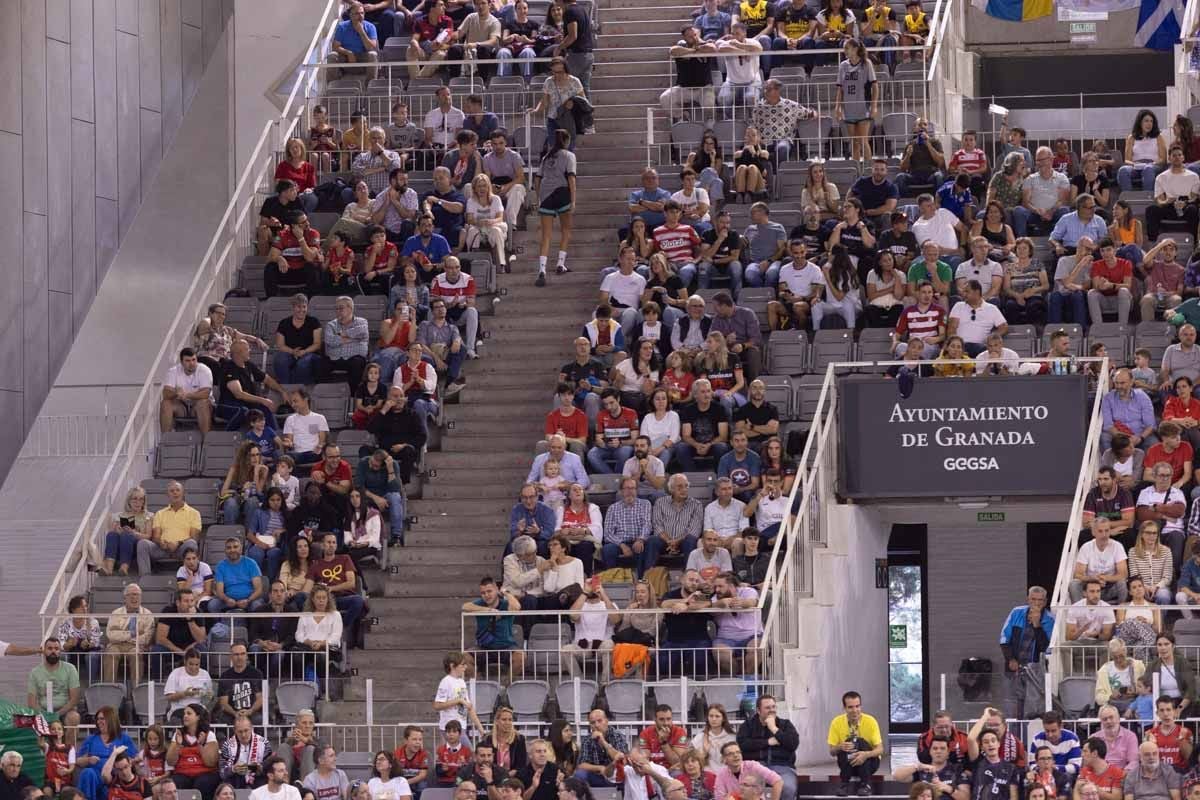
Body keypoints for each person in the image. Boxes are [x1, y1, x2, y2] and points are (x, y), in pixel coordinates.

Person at [534, 128, 577, 286]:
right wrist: (573, 200)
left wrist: (539, 197)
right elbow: (571, 178)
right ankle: (560, 263)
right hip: (562, 194)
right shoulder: (569, 156)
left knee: (546, 236)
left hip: (546, 196)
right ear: (567, 141)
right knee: (566, 229)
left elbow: (537, 179)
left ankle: (542, 270)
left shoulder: (546, 157)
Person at [735, 695, 797, 800]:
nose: (772, 710)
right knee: (748, 789)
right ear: (758, 710)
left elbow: (793, 744)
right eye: (767, 708)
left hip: (782, 766)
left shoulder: (785, 725)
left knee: (788, 788)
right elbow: (743, 744)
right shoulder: (748, 726)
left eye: (773, 707)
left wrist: (774, 729)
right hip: (755, 767)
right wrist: (767, 742)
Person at [946, 279, 1008, 357]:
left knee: (984, 351)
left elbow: (1004, 327)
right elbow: (952, 328)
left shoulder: (992, 309)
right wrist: (955, 345)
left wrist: (990, 338)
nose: (963, 294)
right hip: (961, 347)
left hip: (981, 347)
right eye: (964, 291)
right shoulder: (958, 306)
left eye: (967, 291)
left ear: (977, 292)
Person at [574, 709, 628, 788]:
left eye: (599, 721)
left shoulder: (617, 735)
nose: (596, 725)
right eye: (593, 723)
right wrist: (600, 768)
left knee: (628, 772)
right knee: (579, 774)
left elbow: (623, 760)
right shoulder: (587, 739)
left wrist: (603, 742)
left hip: (616, 776)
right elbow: (581, 765)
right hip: (597, 777)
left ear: (606, 721)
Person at [26, 638, 79, 716]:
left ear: (60, 651)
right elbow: (31, 703)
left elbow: (74, 699)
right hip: (43, 712)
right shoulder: (35, 672)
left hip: (66, 711)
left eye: (56, 649)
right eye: (50, 648)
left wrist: (57, 714)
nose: (53, 651)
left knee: (74, 717)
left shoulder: (70, 669)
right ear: (44, 651)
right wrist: (45, 715)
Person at [1087, 238, 1135, 326]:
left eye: (1108, 250)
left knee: (1123, 291)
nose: (1105, 253)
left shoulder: (1126, 264)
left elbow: (1128, 286)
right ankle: (1098, 328)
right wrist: (1101, 286)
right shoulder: (1096, 265)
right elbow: (1096, 286)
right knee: (1091, 293)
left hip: (1121, 299)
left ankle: (1122, 327)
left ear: (1115, 250)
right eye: (1102, 251)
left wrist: (1111, 285)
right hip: (1104, 300)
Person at [219, 714, 271, 788]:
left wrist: (260, 768)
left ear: (252, 728)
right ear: (235, 731)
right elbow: (222, 772)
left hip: (258, 778)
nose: (243, 735)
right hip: (236, 779)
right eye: (240, 732)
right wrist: (233, 769)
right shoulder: (227, 746)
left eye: (246, 730)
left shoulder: (264, 743)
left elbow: (270, 769)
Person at [216, 646, 264, 725]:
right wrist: (235, 713)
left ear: (247, 656)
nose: (239, 657)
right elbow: (223, 702)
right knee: (223, 721)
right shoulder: (225, 676)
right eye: (236, 654)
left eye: (242, 654)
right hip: (231, 714)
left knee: (259, 720)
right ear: (231, 657)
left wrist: (250, 711)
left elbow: (260, 698)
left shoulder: (256, 673)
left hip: (252, 712)